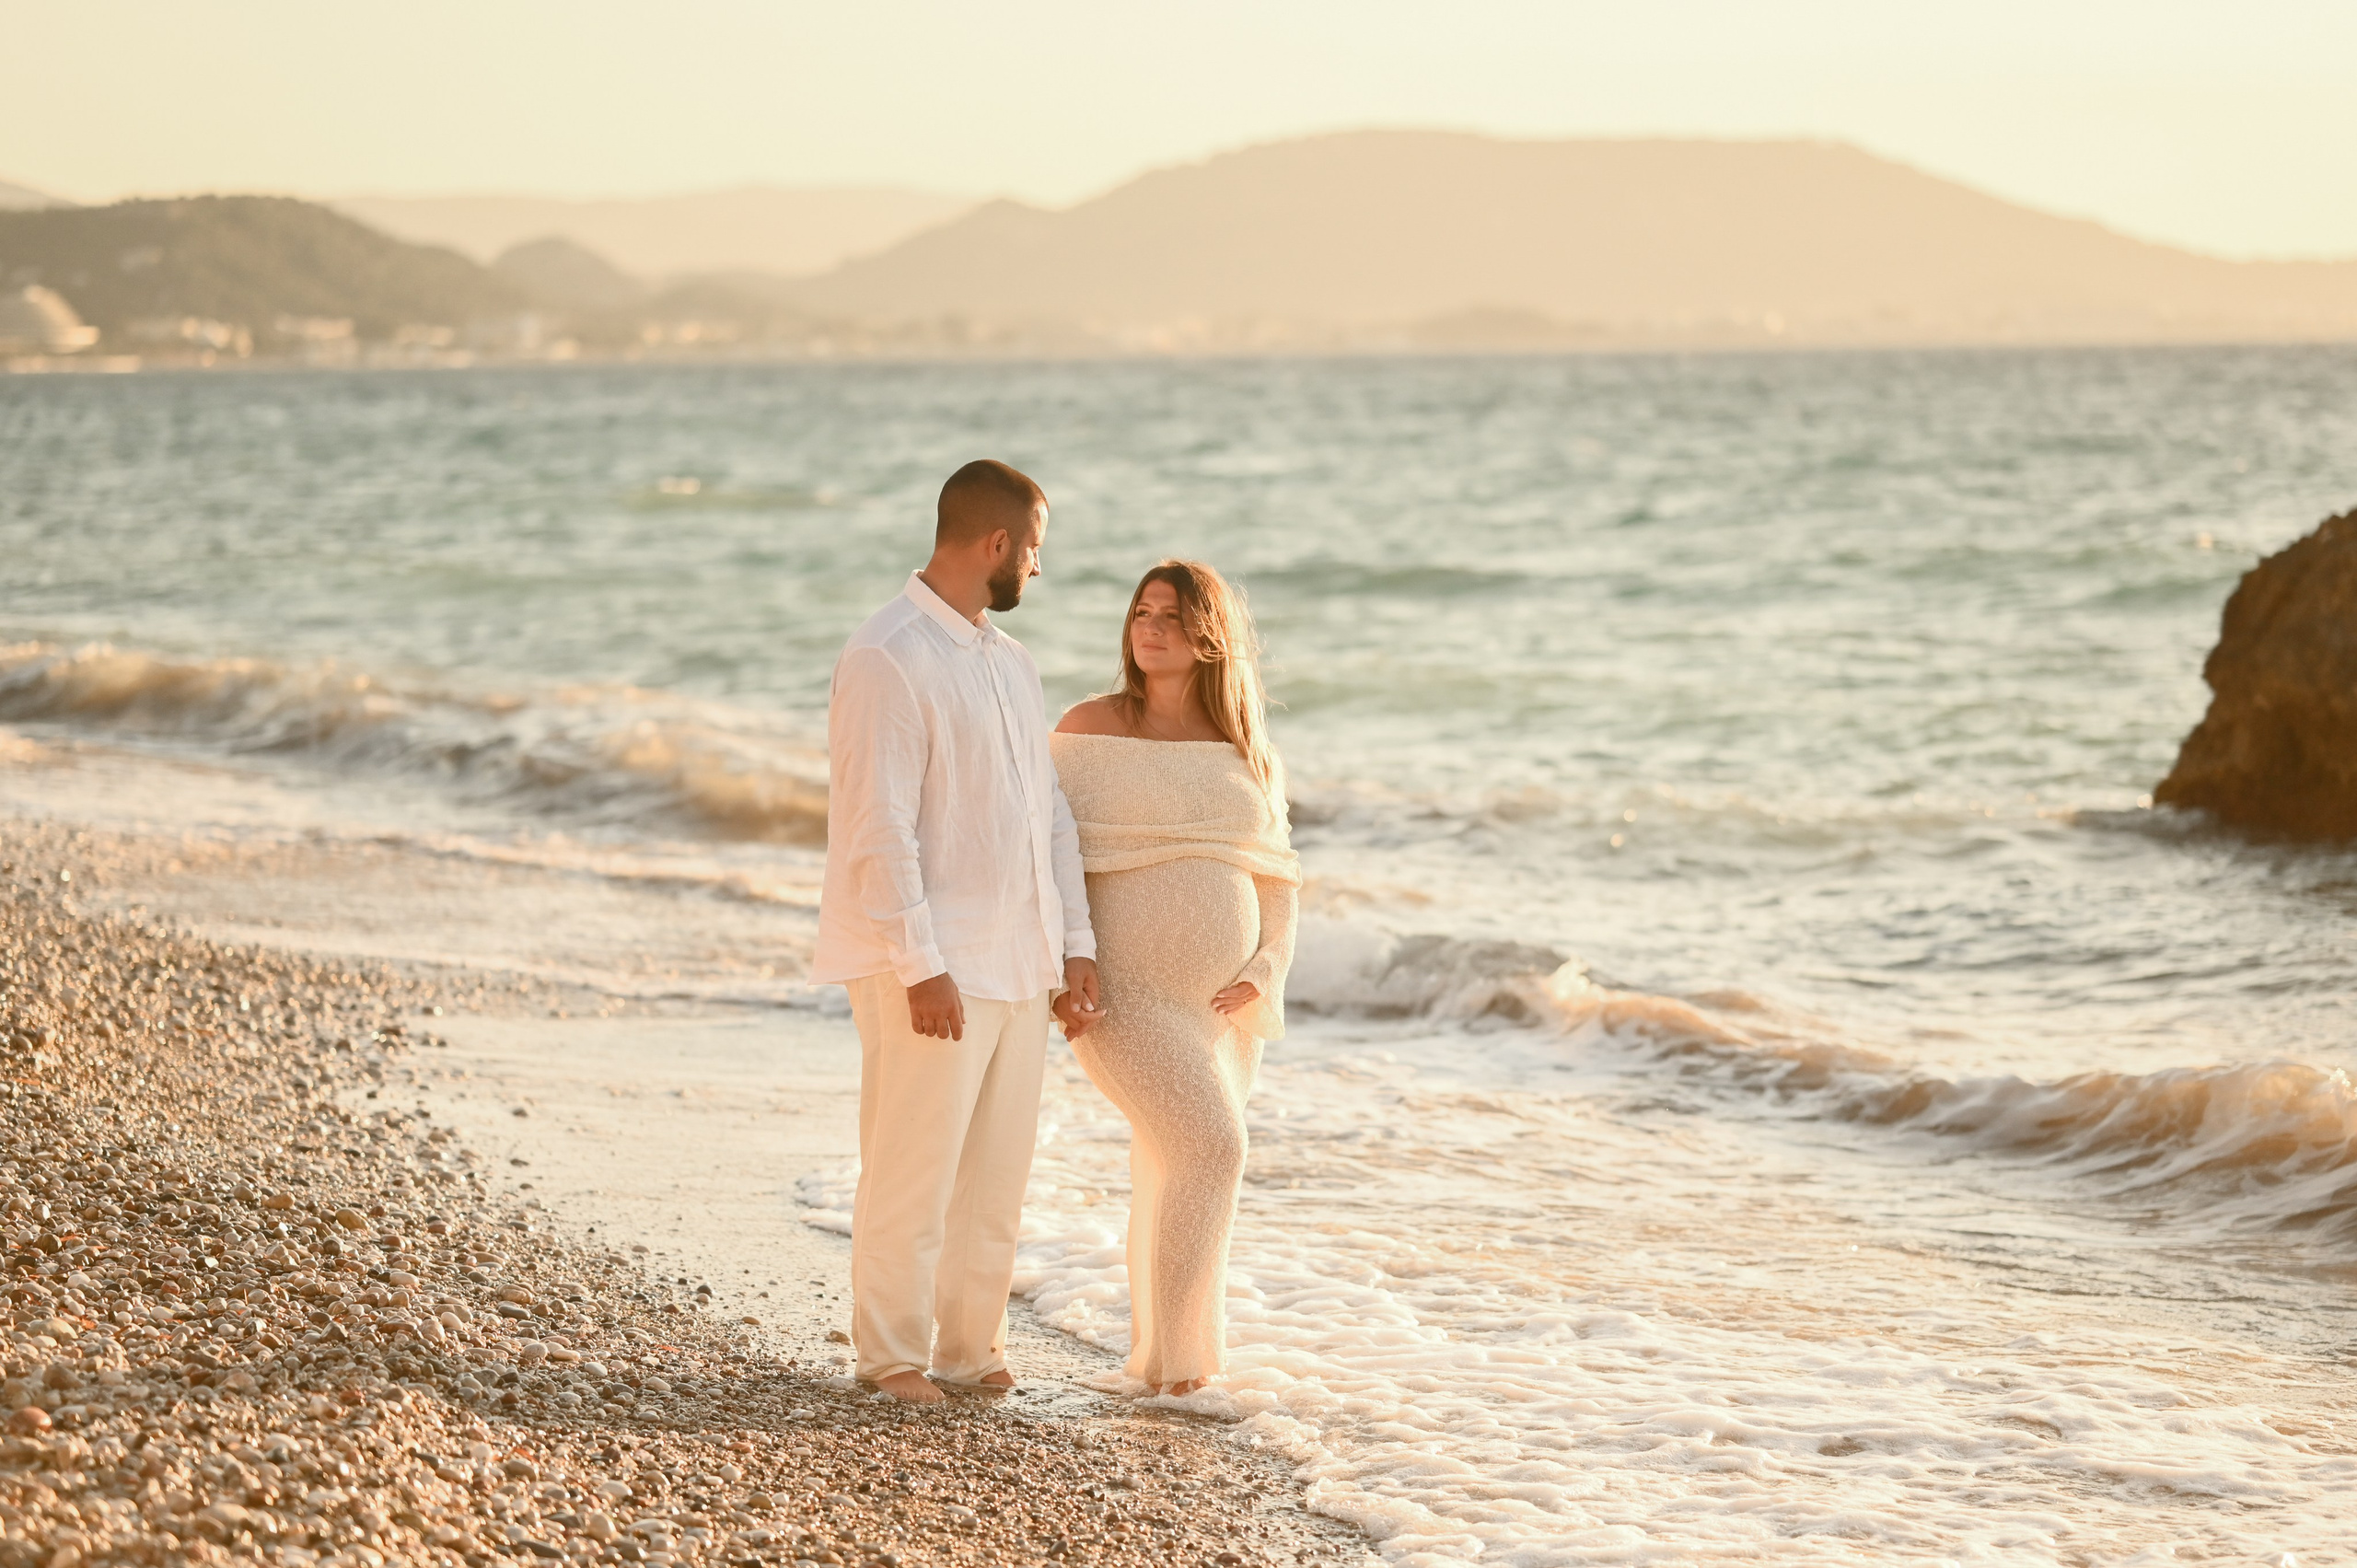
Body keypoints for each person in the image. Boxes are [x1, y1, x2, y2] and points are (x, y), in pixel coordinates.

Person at [814, 459, 1103, 1404]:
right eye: (1035, 550)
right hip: (929, 966)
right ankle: (890, 1355)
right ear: (996, 544)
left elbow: (1047, 818)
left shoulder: (1009, 663)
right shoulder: (886, 654)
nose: (1037, 569)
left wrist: (1077, 946)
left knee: (994, 1176)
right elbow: (877, 826)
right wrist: (919, 963)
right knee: (912, 1165)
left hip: (1019, 962)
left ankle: (969, 1349)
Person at [1050, 560, 1299, 1395]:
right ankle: (1186, 1376)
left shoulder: (1244, 750)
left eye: (1171, 615)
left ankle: (1163, 1361)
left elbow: (1278, 880)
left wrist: (1266, 968)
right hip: (1123, 994)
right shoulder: (1087, 728)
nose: (1149, 627)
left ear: (1210, 635)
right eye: (1141, 612)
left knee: (1173, 1163)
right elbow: (1048, 858)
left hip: (1221, 1008)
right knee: (1213, 1148)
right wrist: (1062, 964)